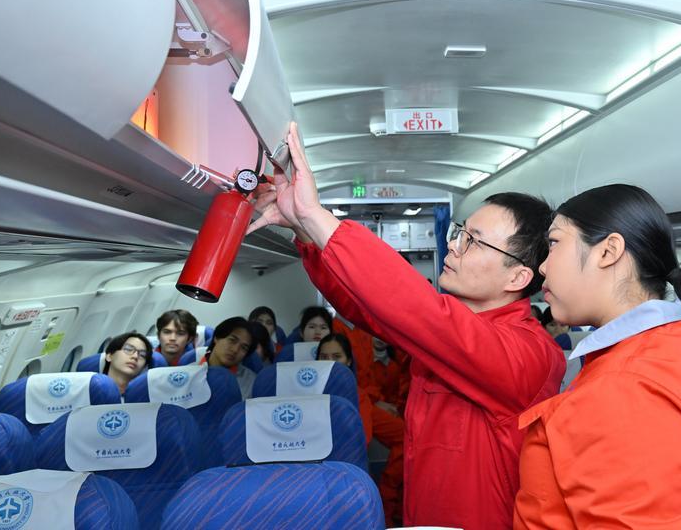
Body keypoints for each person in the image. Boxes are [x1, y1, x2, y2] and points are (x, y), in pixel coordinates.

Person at [248, 123, 565, 530]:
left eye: (473, 241)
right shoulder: (450, 332)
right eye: (460, 233)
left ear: (517, 277)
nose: (453, 245)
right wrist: (304, 231)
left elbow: (419, 309)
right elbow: (368, 308)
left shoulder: (532, 354)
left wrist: (316, 215)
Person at [513, 184, 681, 529]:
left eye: (554, 243)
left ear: (608, 251)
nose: (542, 267)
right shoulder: (674, 344)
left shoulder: (622, 389)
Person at [317, 333, 405, 527]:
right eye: (323, 357)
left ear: (348, 361)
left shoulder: (358, 396)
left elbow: (362, 440)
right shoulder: (304, 395)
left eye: (336, 357)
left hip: (345, 470)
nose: (330, 363)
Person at [202, 317, 258, 399]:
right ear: (217, 338)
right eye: (232, 340)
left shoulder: (251, 383)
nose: (235, 350)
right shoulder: (190, 371)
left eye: (244, 348)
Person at [103, 332, 153, 398]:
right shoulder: (92, 390)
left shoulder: (145, 398)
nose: (135, 356)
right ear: (109, 356)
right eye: (128, 349)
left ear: (144, 367)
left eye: (142, 355)